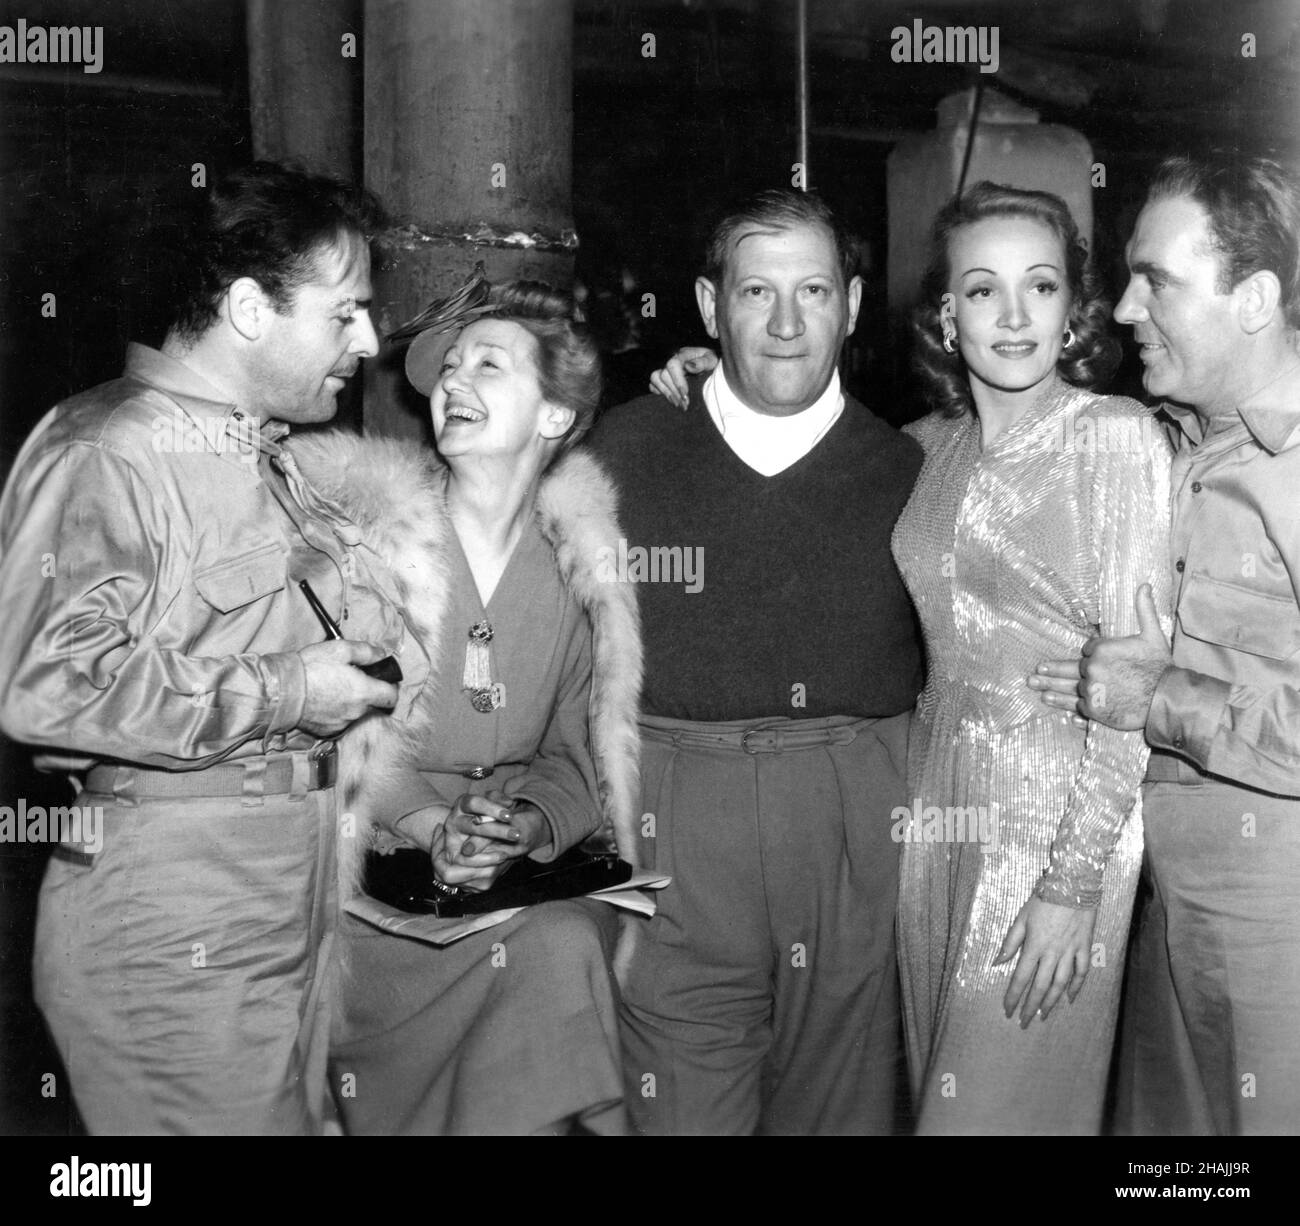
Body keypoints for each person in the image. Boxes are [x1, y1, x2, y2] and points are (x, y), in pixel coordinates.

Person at [0, 161, 426, 1134]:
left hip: (281, 894)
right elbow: (44, 682)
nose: (366, 342)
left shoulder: (258, 453)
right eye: (344, 313)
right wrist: (286, 692)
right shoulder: (109, 448)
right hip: (175, 913)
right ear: (246, 307)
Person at [587, 188, 923, 1135]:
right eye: (755, 292)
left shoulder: (912, 470)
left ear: (851, 307)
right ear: (707, 307)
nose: (784, 323)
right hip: (674, 818)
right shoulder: (626, 448)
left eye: (812, 290)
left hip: (858, 820)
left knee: (843, 1109)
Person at [291, 281, 644, 1136]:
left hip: (510, 891)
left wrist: (520, 826)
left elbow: (577, 755)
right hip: (378, 897)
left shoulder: (579, 574)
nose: (453, 382)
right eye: (449, 367)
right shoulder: (370, 549)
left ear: (555, 416)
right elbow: (338, 737)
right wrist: (427, 829)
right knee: (552, 962)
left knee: (560, 951)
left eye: (489, 364)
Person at [889, 182, 1171, 1134]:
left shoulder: (1113, 438)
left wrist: (1071, 885)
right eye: (982, 289)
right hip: (934, 805)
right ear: (944, 311)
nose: (1014, 317)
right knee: (938, 1092)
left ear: (1072, 307)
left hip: (1054, 816)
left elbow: (1138, 690)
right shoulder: (923, 449)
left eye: (1040, 286)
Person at [1030, 155, 1300, 1136]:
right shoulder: (1165, 436)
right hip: (1167, 899)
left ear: (1255, 298)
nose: (1127, 305)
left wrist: (1160, 692)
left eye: (1159, 280)